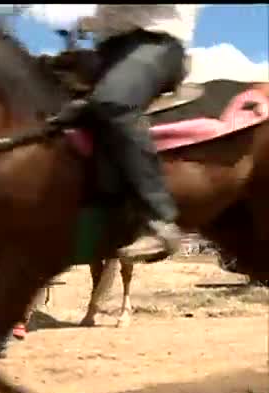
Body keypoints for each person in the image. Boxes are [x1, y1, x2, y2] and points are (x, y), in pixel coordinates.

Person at [73, 5, 201, 262]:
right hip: (107, 52)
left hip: (156, 44)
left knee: (114, 102)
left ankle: (160, 222)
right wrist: (89, 22)